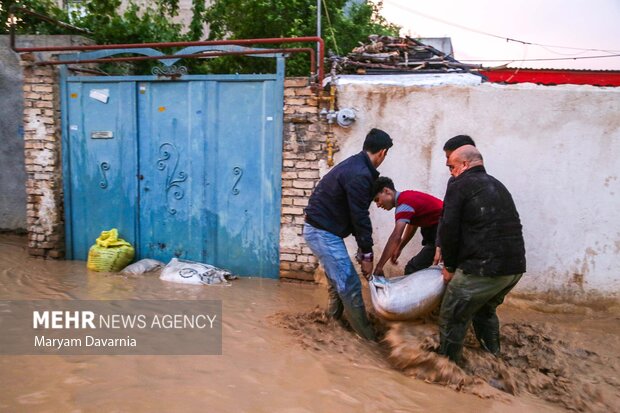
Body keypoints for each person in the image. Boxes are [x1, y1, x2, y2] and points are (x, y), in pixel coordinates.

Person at [438, 145, 526, 365]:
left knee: (451, 314)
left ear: (465, 164)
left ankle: (446, 369)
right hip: (514, 268)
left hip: (484, 267)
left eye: (452, 166)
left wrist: (449, 267)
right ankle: (493, 360)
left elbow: (449, 229)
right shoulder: (498, 185)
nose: (451, 172)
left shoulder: (460, 185)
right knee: (484, 310)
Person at [303, 128, 393, 341]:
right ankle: (367, 340)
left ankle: (331, 326)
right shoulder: (360, 174)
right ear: (382, 152)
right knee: (350, 284)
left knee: (338, 283)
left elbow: (355, 215)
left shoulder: (356, 166)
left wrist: (363, 252)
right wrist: (368, 256)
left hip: (320, 230)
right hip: (322, 232)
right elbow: (359, 216)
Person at [371, 177, 443, 276]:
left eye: (377, 200)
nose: (378, 205)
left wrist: (379, 266)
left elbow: (395, 236)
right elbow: (413, 225)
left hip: (443, 233)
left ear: (386, 191)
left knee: (412, 268)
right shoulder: (407, 197)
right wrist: (400, 247)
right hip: (437, 232)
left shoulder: (404, 204)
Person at [433, 135, 477, 266]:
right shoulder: (453, 182)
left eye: (449, 157)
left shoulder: (479, 184)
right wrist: (439, 245)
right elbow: (446, 216)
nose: (447, 163)